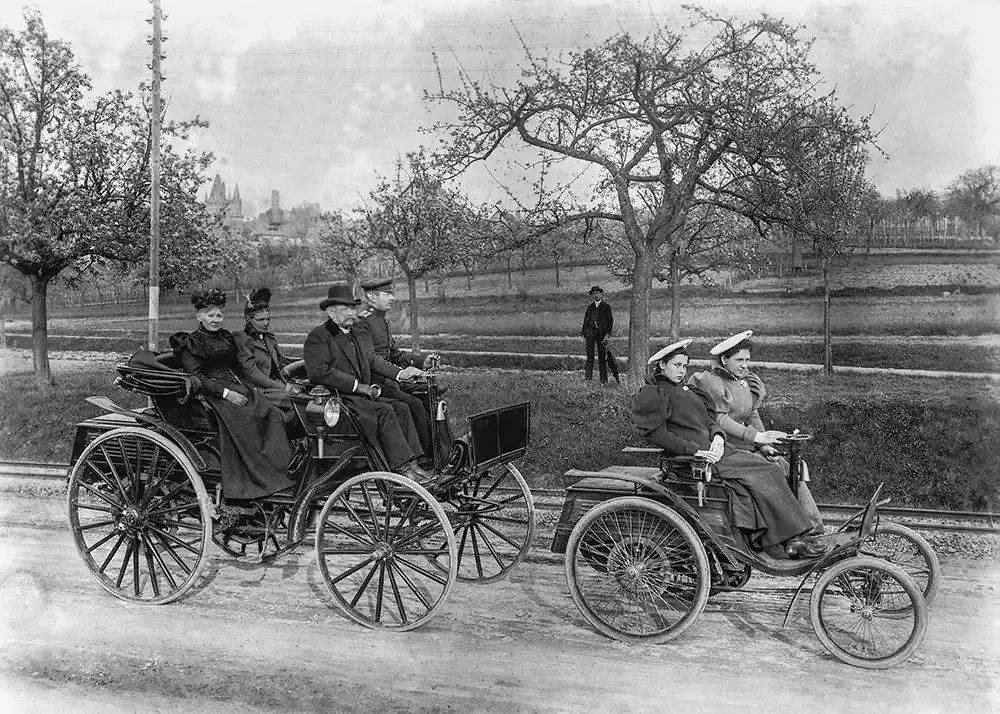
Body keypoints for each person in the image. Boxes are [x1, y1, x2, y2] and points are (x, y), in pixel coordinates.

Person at [631, 339, 826, 558]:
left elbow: (713, 420)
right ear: (662, 365)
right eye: (677, 365)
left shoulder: (687, 390)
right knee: (768, 470)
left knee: (770, 467)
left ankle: (785, 536)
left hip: (719, 452)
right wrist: (692, 450)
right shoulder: (654, 392)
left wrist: (718, 437)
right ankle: (792, 539)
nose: (682, 371)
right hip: (698, 461)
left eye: (685, 366)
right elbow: (656, 433)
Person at [687, 331, 824, 535]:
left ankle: (812, 525)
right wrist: (756, 438)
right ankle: (785, 531)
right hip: (725, 447)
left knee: (790, 467)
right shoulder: (712, 382)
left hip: (747, 445)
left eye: (747, 360)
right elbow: (721, 420)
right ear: (724, 359)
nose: (744, 365)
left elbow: (752, 414)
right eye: (739, 360)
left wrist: (764, 444)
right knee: (773, 472)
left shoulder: (746, 381)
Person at [302, 283, 435, 485]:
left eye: (352, 308)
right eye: (345, 309)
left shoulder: (354, 333)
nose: (351, 313)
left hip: (359, 396)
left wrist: (399, 374)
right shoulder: (319, 336)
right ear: (330, 312)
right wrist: (357, 386)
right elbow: (319, 372)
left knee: (401, 408)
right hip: (339, 399)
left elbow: (371, 360)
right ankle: (401, 468)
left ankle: (414, 464)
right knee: (385, 411)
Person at [171, 288, 294, 500]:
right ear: (199, 316)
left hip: (238, 386)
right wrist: (227, 394)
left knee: (270, 412)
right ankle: (252, 482)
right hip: (214, 393)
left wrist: (252, 389)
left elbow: (238, 368)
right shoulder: (191, 342)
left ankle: (278, 474)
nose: (216, 320)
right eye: (210, 315)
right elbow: (197, 376)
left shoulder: (226, 337)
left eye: (219, 315)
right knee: (248, 419)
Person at [353, 277, 437, 455]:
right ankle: (425, 458)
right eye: (387, 294)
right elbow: (371, 359)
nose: (392, 298)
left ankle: (442, 452)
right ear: (372, 297)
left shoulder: (381, 321)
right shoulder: (361, 323)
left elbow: (395, 354)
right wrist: (400, 374)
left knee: (429, 396)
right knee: (413, 405)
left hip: (389, 380)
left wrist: (422, 362)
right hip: (375, 383)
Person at [233, 287, 300, 416]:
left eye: (268, 319)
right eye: (261, 320)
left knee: (306, 396)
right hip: (259, 390)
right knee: (295, 402)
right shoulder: (243, 340)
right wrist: (283, 388)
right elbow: (253, 374)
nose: (266, 323)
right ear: (248, 319)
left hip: (277, 385)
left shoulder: (269, 338)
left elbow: (280, 363)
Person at [580, 285, 613, 383]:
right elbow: (586, 320)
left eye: (597, 293)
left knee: (602, 357)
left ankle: (603, 380)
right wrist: (583, 333)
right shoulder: (590, 308)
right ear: (591, 296)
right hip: (590, 333)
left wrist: (607, 335)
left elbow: (610, 321)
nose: (595, 295)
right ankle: (588, 378)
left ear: (601, 294)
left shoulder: (606, 307)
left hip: (602, 335)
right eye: (593, 294)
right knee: (590, 357)